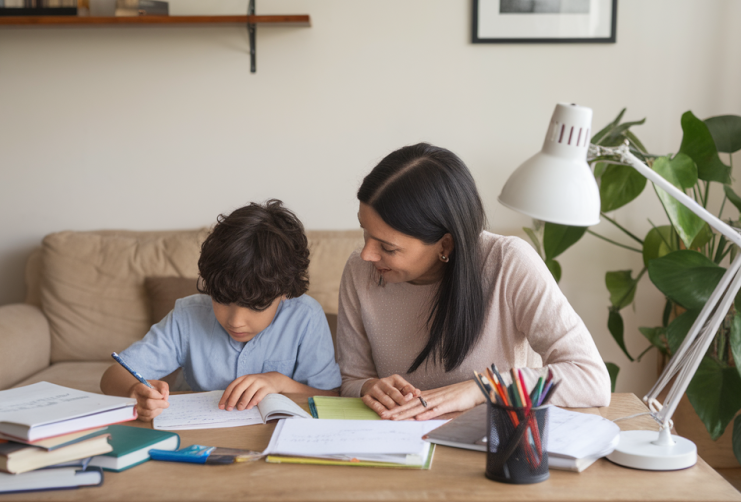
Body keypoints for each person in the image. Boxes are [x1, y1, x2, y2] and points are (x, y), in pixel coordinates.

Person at [337, 143, 610, 421]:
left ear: (445, 245)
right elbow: (351, 379)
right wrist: (369, 387)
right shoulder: (359, 271)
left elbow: (591, 378)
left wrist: (483, 388)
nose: (368, 254)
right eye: (365, 232)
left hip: (490, 445)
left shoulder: (508, 263)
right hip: (396, 444)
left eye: (388, 247)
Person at [100, 200, 341, 420]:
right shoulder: (187, 315)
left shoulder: (306, 317)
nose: (235, 321)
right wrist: (135, 391)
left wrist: (279, 382)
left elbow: (330, 396)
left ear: (284, 292)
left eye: (255, 306)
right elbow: (111, 377)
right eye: (222, 300)